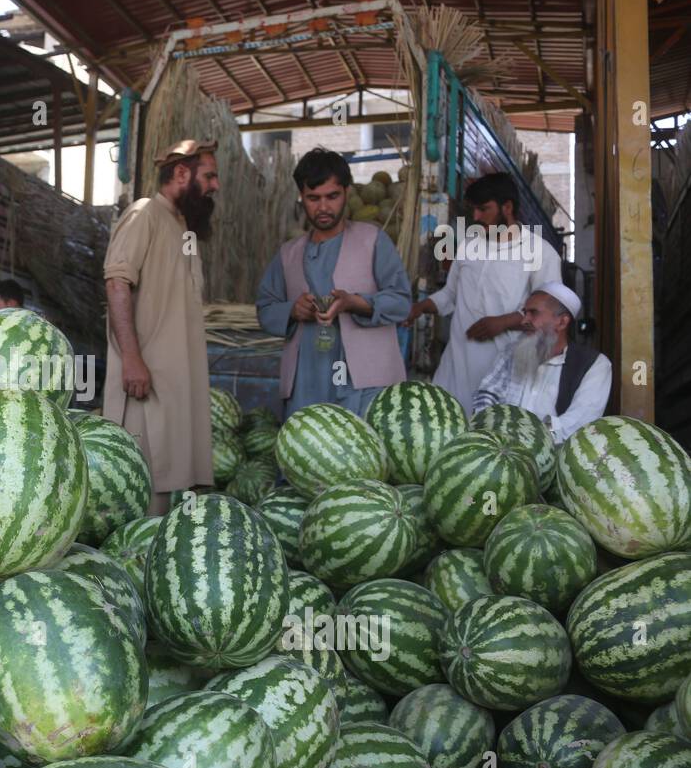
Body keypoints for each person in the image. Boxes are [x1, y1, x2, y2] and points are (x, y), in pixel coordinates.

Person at [102, 138, 219, 515]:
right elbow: (117, 283)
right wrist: (132, 359)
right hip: (144, 383)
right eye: (210, 176)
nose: (215, 186)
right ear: (182, 173)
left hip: (177, 389)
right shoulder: (144, 213)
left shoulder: (183, 229)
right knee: (142, 492)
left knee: (173, 487)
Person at [256, 147, 410, 419]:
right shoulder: (288, 253)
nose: (323, 207)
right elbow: (266, 308)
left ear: (347, 193)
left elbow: (401, 302)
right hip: (307, 379)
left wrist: (355, 303)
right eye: (313, 198)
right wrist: (293, 310)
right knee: (309, 452)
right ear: (301, 197)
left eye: (332, 196)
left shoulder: (373, 240)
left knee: (363, 454)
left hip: (364, 382)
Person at [404, 172, 562, 415]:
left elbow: (549, 314)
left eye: (483, 209)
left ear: (507, 207)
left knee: (490, 440)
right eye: (473, 210)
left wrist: (504, 322)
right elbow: (449, 295)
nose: (476, 217)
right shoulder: (469, 245)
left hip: (503, 375)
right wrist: (419, 307)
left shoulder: (539, 251)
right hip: (454, 368)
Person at [471, 282, 610, 443]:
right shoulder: (511, 352)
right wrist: (490, 431)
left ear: (562, 322)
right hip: (500, 449)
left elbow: (576, 424)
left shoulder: (595, 365)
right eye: (525, 313)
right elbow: (487, 394)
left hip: (555, 459)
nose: (524, 321)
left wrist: (524, 437)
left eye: (533, 313)